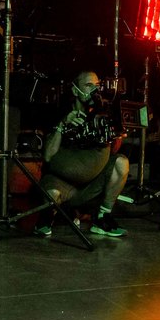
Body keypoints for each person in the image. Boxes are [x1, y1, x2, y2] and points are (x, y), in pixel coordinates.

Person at [37, 70, 129, 238]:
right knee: (52, 194)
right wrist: (62, 125)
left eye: (97, 86)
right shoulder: (60, 113)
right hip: (62, 186)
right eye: (88, 85)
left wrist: (112, 133)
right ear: (75, 90)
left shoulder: (101, 115)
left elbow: (113, 152)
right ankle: (47, 217)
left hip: (90, 188)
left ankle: (102, 218)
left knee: (121, 163)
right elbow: (48, 156)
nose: (94, 90)